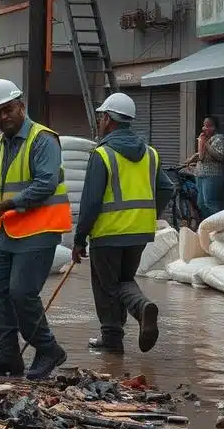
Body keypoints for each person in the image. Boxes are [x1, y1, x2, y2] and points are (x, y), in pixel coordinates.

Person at [0, 78, 71, 380]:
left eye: (8, 110)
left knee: (22, 292)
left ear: (21, 106)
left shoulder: (43, 140)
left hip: (39, 230)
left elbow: (45, 184)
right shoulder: (0, 143)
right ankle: (9, 355)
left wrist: (0, 207)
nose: (3, 117)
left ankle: (48, 348)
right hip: (9, 232)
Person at [71, 93, 174, 354]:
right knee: (124, 280)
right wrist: (148, 215)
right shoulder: (150, 154)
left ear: (108, 119)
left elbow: (91, 202)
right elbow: (166, 188)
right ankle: (117, 334)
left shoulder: (103, 154)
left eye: (101, 117)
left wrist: (79, 238)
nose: (100, 121)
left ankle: (136, 314)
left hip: (109, 233)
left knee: (108, 285)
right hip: (139, 233)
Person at [187, 115, 224, 217]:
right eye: (204, 126)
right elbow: (202, 155)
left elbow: (220, 156)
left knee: (210, 202)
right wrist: (192, 158)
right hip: (200, 174)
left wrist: (206, 144)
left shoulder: (219, 139)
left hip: (212, 175)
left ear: (215, 127)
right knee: (201, 203)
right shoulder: (204, 138)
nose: (205, 128)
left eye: (209, 126)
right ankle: (208, 223)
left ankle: (218, 225)